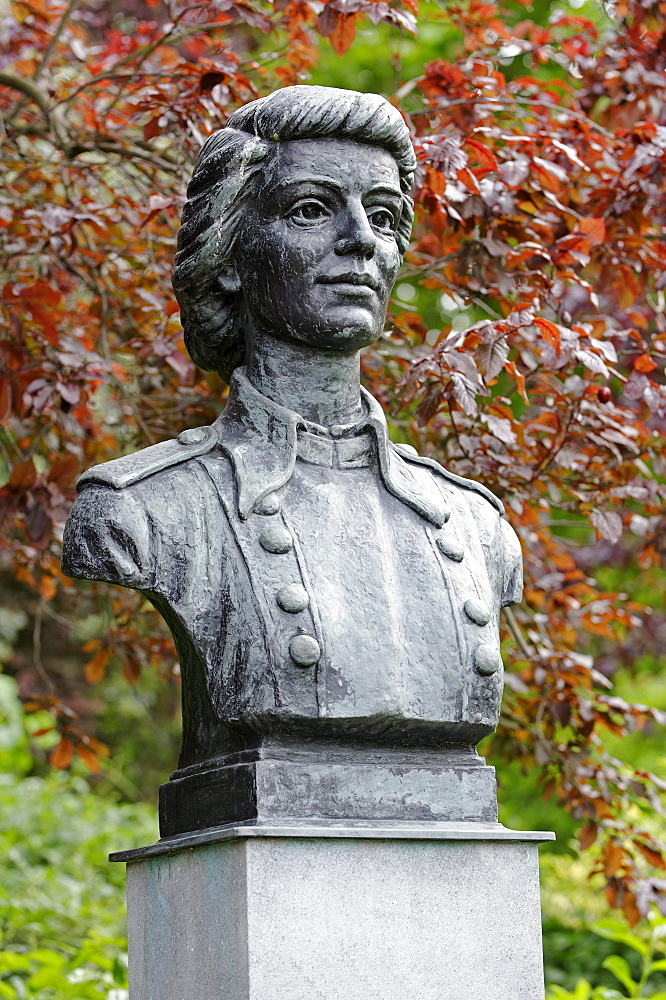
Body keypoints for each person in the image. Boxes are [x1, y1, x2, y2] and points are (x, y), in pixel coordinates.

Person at [62, 86, 522, 834]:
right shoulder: (144, 508)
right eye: (312, 209)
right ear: (233, 253)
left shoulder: (474, 525)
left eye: (384, 216)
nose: (361, 241)